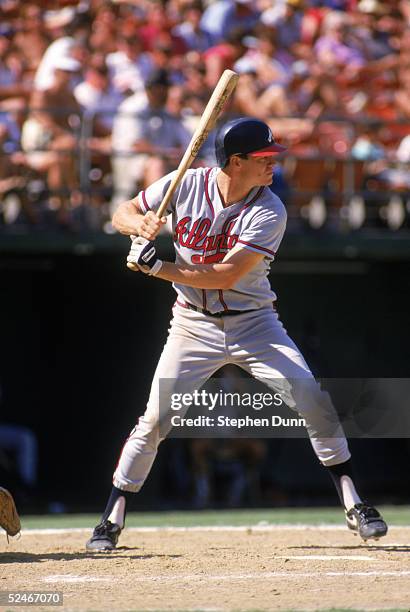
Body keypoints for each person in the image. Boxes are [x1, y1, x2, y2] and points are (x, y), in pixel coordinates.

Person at [86, 117, 388, 552]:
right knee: (155, 420)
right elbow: (121, 212)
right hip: (192, 324)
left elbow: (226, 275)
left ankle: (354, 503)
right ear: (235, 161)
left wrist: (159, 267)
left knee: (312, 397)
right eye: (263, 158)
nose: (272, 165)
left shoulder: (271, 208)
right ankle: (112, 517)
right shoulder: (186, 183)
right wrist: (140, 227)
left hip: (254, 322)